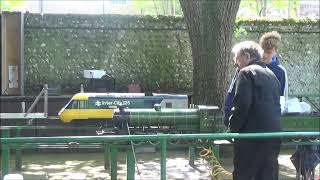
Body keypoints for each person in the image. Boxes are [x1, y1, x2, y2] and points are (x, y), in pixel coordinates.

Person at [229, 41, 281, 180]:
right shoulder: (271, 74)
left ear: (246, 56)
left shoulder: (246, 72)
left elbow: (242, 106)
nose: (235, 62)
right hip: (272, 137)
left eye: (236, 57)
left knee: (244, 175)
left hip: (251, 139)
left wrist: (232, 129)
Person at [259, 31, 288, 101]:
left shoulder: (281, 71)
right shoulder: (253, 68)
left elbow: (282, 97)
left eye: (268, 52)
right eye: (262, 50)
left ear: (276, 52)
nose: (264, 55)